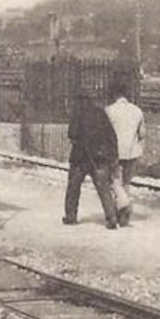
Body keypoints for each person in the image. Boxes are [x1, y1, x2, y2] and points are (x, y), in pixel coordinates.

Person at [62, 92, 120, 229]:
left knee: (74, 187)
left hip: (80, 158)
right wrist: (112, 155)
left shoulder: (78, 115)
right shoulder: (101, 114)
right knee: (104, 187)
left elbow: (72, 134)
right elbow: (111, 135)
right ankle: (111, 216)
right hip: (100, 157)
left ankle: (71, 216)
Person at [103, 78, 145, 227]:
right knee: (126, 183)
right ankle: (123, 217)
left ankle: (124, 205)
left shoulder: (109, 111)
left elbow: (105, 133)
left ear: (114, 94)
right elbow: (142, 133)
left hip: (115, 152)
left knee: (115, 182)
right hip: (132, 152)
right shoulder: (137, 110)